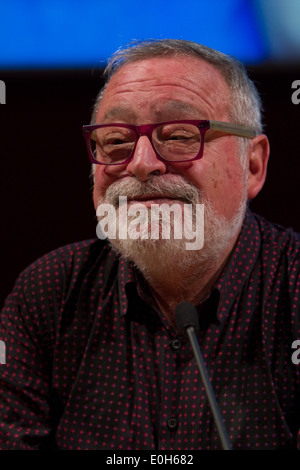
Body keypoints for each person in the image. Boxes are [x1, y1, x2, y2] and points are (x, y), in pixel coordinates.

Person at [0, 39, 299, 451]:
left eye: (178, 135)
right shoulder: (49, 293)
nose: (141, 163)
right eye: (117, 140)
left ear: (253, 165)